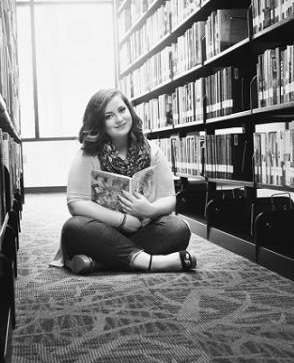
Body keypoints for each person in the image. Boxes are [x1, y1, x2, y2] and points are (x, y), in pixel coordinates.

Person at [60, 88, 197, 274]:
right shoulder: (88, 153)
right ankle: (151, 262)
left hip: (142, 229)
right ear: (99, 122)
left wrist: (150, 210)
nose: (119, 119)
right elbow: (76, 204)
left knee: (178, 228)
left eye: (122, 110)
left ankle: (100, 262)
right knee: (73, 228)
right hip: (102, 231)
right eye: (109, 116)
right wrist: (122, 220)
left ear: (130, 111)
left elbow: (169, 199)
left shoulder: (152, 151)